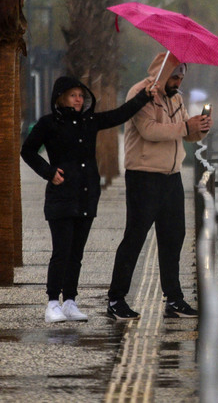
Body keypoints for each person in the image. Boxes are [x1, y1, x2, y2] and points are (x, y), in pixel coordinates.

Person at [21, 76, 153, 323]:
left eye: (81, 95)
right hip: (61, 196)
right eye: (73, 95)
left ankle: (70, 301)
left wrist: (144, 96)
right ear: (61, 98)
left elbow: (119, 115)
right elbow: (27, 151)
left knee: (76, 253)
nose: (78, 100)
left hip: (86, 195)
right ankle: (52, 303)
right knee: (61, 250)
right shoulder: (48, 123)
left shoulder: (89, 121)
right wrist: (49, 172)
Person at [106, 51, 212, 321]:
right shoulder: (141, 93)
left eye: (181, 78)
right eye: (175, 77)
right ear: (163, 73)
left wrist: (199, 128)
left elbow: (185, 134)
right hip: (144, 176)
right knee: (135, 237)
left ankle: (174, 298)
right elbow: (149, 130)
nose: (178, 82)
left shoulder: (176, 98)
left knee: (174, 237)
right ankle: (116, 299)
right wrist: (185, 126)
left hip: (171, 176)